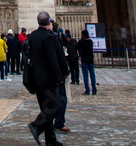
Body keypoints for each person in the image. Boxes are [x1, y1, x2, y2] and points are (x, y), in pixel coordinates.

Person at [26, 11, 68, 146]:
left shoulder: (32, 36)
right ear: (49, 22)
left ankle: (51, 140)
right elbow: (53, 58)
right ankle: (36, 126)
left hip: (36, 77)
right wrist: (59, 76)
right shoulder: (50, 37)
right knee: (56, 105)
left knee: (45, 107)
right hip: (48, 78)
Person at [77, 28, 97, 95]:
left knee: (85, 76)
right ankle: (94, 90)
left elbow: (76, 47)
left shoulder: (81, 41)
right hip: (90, 60)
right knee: (92, 75)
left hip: (84, 60)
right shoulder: (90, 41)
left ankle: (87, 90)